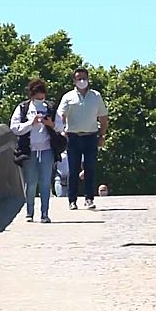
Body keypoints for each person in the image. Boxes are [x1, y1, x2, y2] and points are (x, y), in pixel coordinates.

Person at [10, 79, 64, 222]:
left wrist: (50, 124)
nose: (41, 100)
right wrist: (31, 123)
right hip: (29, 150)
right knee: (31, 182)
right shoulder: (23, 108)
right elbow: (15, 128)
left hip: (47, 149)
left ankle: (45, 213)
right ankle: (29, 212)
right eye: (38, 97)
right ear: (32, 96)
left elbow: (60, 127)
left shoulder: (50, 107)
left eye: (42, 97)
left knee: (45, 181)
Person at [57, 67, 109, 210]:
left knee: (89, 168)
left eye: (84, 78)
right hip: (73, 137)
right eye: (78, 78)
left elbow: (103, 117)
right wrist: (61, 131)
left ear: (88, 79)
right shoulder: (68, 97)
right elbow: (60, 116)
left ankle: (89, 198)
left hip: (91, 136)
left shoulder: (96, 96)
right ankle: (72, 200)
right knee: (73, 170)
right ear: (74, 80)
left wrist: (102, 135)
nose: (81, 81)